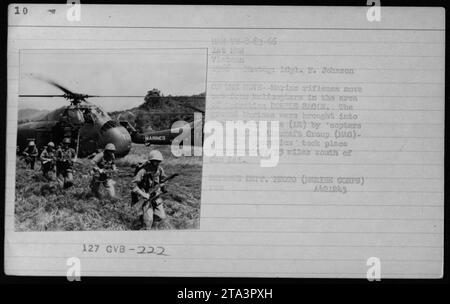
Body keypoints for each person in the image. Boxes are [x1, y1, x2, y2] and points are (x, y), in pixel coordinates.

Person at [131, 150, 168, 229]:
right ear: (151, 161)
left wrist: (163, 187)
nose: (157, 163)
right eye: (155, 161)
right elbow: (133, 185)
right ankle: (144, 227)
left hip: (156, 196)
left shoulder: (160, 169)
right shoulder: (143, 171)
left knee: (161, 216)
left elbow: (163, 179)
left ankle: (144, 221)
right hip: (146, 198)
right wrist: (143, 194)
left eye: (159, 161)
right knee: (148, 221)